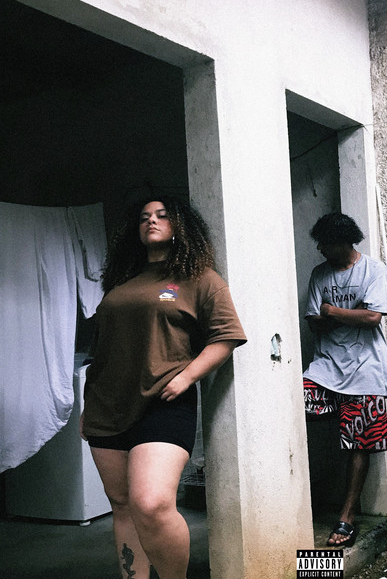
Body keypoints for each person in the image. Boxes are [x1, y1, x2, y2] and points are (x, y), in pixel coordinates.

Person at [80, 196, 246, 579]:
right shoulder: (122, 282)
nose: (151, 221)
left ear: (180, 226)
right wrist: (89, 406)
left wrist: (187, 376)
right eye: (144, 217)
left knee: (151, 503)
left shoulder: (199, 278)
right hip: (106, 404)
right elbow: (103, 349)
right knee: (122, 505)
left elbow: (226, 336)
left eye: (161, 215)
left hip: (164, 402)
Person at [303, 212, 387, 547]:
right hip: (326, 367)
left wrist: (333, 312)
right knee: (294, 409)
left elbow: (372, 317)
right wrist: (349, 315)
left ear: (343, 242)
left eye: (325, 244)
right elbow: (313, 322)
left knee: (359, 441)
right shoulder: (319, 274)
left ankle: (347, 516)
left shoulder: (373, 270)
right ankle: (300, 497)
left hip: (366, 368)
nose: (320, 249)